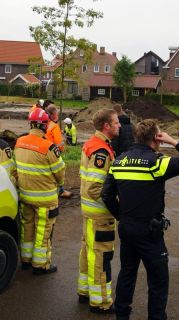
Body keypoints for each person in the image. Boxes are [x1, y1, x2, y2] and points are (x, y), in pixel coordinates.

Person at [102, 120, 179, 320]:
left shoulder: (119, 161)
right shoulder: (157, 162)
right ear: (156, 138)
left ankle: (122, 315)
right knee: (158, 280)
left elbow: (106, 195)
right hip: (149, 231)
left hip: (127, 227)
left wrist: (122, 216)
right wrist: (173, 141)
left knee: (127, 274)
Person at [77, 109, 121, 314]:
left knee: (89, 252)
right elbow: (95, 188)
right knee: (101, 257)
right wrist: (117, 204)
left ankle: (85, 291)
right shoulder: (101, 151)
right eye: (116, 122)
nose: (119, 125)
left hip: (89, 212)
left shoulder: (92, 144)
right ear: (106, 126)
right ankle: (101, 302)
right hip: (100, 215)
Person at [14, 108, 66, 274]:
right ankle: (41, 265)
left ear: (31, 124)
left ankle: (26, 260)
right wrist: (60, 184)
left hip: (25, 196)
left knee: (27, 228)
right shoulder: (49, 147)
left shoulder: (19, 142)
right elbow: (60, 173)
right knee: (43, 232)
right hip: (45, 199)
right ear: (44, 126)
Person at [46, 104, 72, 198]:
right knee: (59, 170)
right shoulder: (54, 126)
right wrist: (62, 148)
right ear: (53, 115)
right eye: (57, 114)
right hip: (54, 151)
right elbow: (59, 143)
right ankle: (60, 190)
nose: (57, 116)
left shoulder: (45, 124)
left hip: (43, 151)